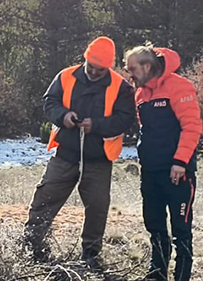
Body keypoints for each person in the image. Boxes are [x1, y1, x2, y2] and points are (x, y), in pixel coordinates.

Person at [24, 36, 135, 262]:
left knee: (97, 208)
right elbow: (49, 102)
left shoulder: (122, 88)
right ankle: (31, 247)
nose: (94, 73)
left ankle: (90, 255)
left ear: (110, 66)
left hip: (99, 159)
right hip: (65, 154)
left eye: (100, 70)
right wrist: (63, 116)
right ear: (85, 59)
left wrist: (96, 125)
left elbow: (126, 119)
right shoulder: (65, 76)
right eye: (91, 67)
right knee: (44, 199)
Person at [125, 45, 203, 281]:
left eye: (133, 69)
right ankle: (157, 274)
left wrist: (180, 162)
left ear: (147, 66)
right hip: (151, 171)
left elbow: (192, 127)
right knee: (154, 223)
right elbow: (146, 131)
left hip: (178, 172)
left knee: (181, 228)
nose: (130, 75)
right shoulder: (140, 94)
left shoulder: (179, 86)